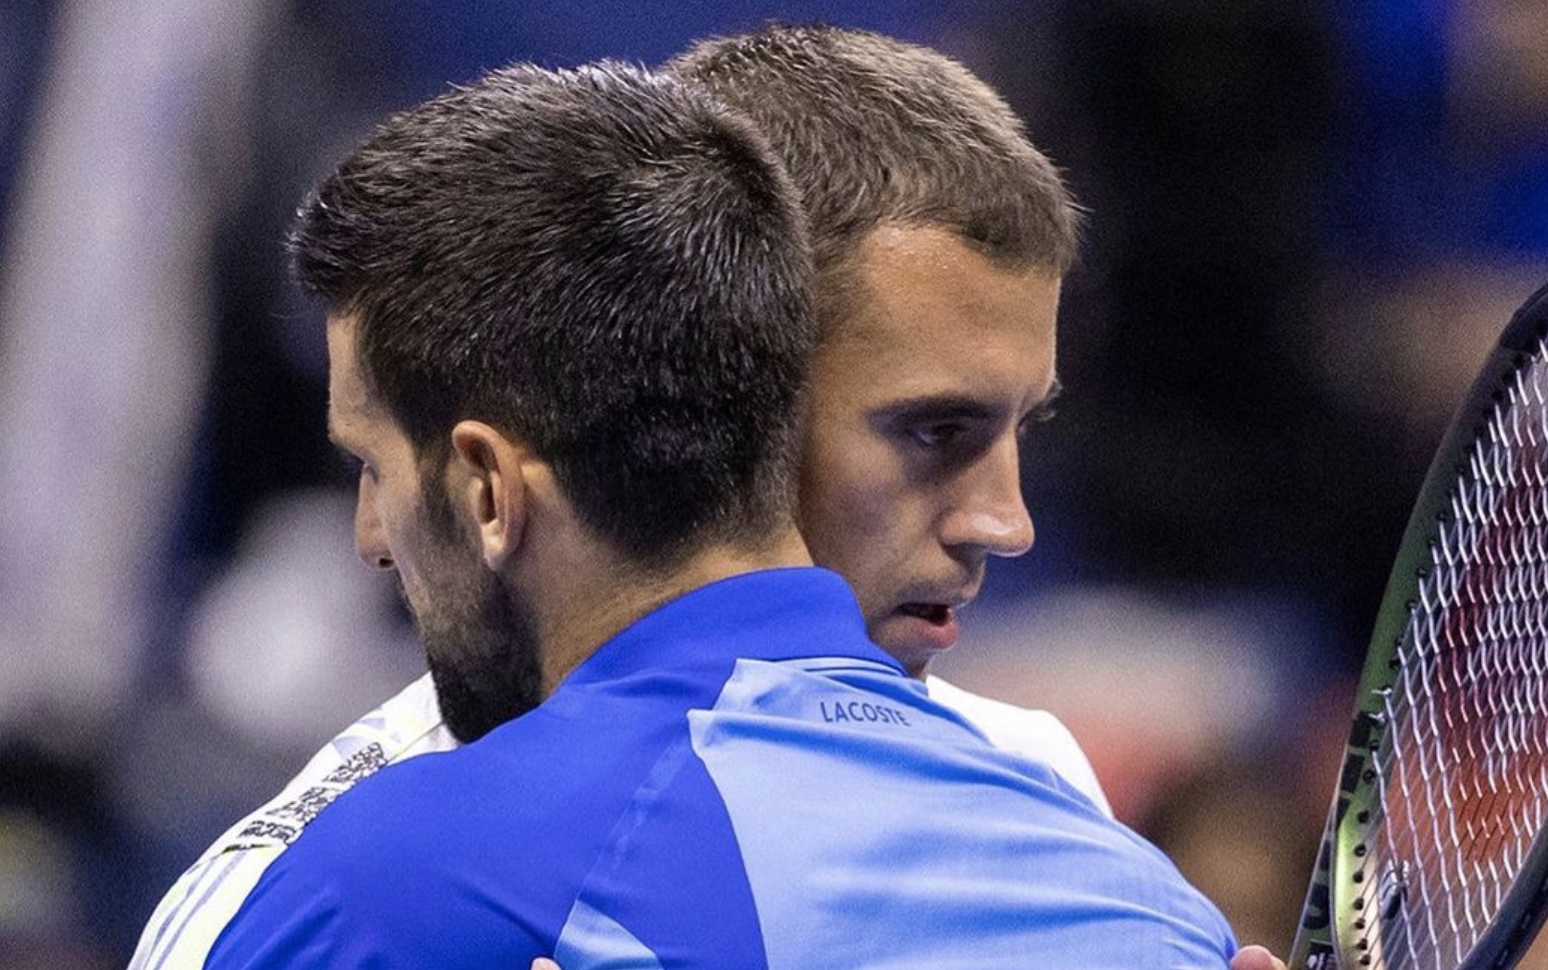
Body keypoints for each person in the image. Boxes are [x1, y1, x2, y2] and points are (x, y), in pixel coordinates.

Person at [182, 55, 1235, 967]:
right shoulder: (1132, 891)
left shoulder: (389, 875)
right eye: (933, 430)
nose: (1006, 522)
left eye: (1022, 431)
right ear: (755, 373)